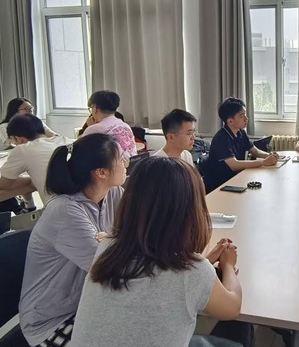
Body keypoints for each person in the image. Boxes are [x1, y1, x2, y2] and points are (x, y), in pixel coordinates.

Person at [70, 157, 248, 347]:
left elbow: (157, 278)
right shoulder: (193, 270)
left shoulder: (107, 247)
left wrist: (206, 262)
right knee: (238, 335)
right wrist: (227, 266)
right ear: (192, 211)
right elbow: (232, 308)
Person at [18, 134, 126, 347]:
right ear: (101, 172)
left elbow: (136, 235)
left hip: (89, 304)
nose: (126, 163)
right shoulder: (65, 211)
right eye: (121, 158)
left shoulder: (114, 194)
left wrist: (114, 240)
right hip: (52, 321)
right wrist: (118, 241)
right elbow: (108, 268)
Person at [203, 98, 278, 193]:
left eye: (245, 115)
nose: (246, 119)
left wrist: (270, 155)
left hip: (237, 177)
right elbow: (234, 165)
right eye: (242, 116)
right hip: (223, 185)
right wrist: (263, 162)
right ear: (230, 121)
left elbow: (255, 151)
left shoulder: (241, 132)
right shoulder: (221, 139)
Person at [0, 114, 72, 205]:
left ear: (19, 139)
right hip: (85, 204)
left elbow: (4, 184)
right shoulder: (65, 140)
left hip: (59, 207)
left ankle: (28, 206)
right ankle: (29, 206)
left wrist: (29, 181)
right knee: (31, 183)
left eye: (13, 142)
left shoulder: (24, 149)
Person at [80, 90, 137, 158]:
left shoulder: (93, 129)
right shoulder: (125, 126)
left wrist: (91, 128)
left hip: (112, 164)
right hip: (132, 163)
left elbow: (82, 151)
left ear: (95, 108)